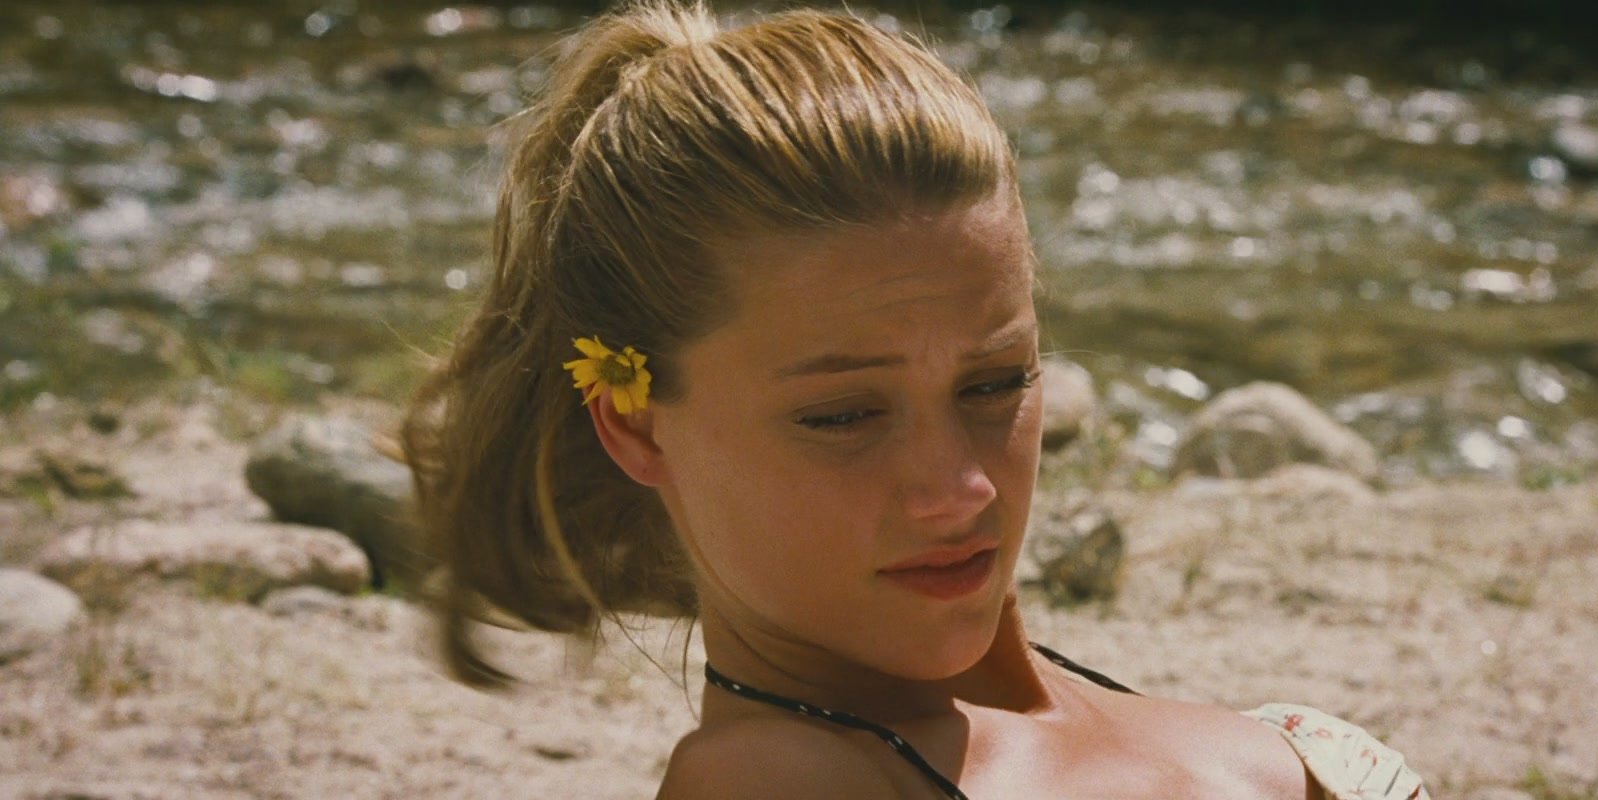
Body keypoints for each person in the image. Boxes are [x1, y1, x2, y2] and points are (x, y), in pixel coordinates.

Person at [400, 2, 1427, 798]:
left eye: (994, 383)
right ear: (634, 421)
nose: (961, 489)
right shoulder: (775, 779)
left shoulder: (1217, 732)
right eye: (843, 415)